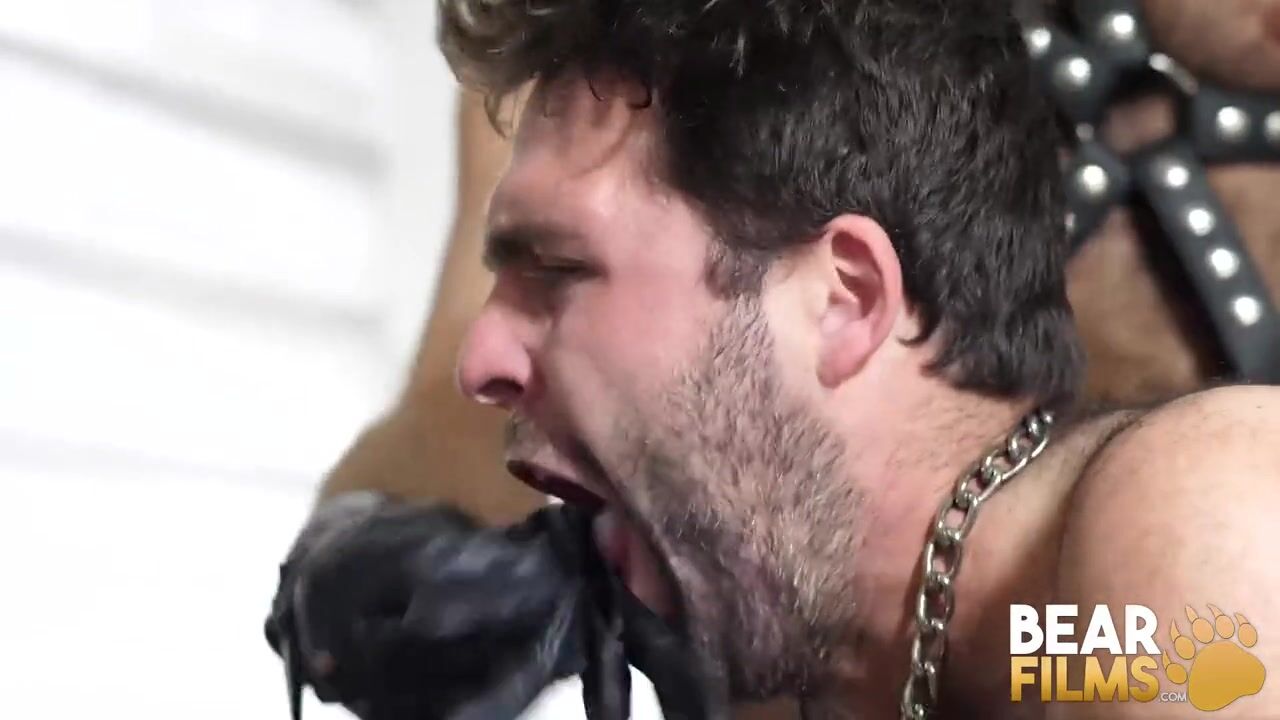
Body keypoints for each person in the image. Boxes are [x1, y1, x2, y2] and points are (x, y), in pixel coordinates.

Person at [291, 1, 1280, 718]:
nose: (485, 358)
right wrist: (383, 546)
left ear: (847, 296)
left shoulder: (1185, 533)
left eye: (556, 267)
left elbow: (1179, 647)